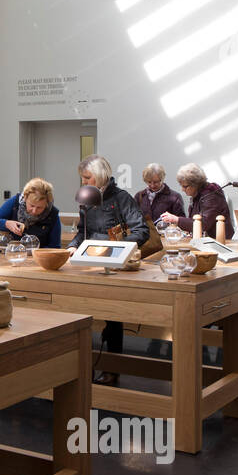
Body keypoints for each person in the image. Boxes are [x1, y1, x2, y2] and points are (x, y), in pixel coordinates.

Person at [67, 155, 149, 385]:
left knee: (112, 316)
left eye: (87, 177)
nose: (83, 182)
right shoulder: (86, 198)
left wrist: (117, 249)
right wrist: (73, 246)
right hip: (89, 262)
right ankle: (79, 366)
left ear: (100, 175)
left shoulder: (121, 198)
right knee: (78, 311)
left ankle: (112, 369)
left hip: (114, 264)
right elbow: (82, 230)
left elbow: (141, 231)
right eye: (82, 178)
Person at [160, 163, 235, 239]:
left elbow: (203, 224)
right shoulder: (197, 194)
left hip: (221, 242)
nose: (182, 189)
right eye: (181, 185)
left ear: (195, 184)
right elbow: (193, 221)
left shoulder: (211, 195)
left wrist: (176, 219)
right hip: (207, 241)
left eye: (185, 186)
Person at [0, 178, 61, 247]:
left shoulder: (52, 214)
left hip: (39, 257)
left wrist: (37, 253)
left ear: (47, 204)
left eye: (39, 207)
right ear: (25, 198)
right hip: (13, 254)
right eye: (32, 205)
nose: (34, 211)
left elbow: (55, 247)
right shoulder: (15, 203)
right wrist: (6, 224)